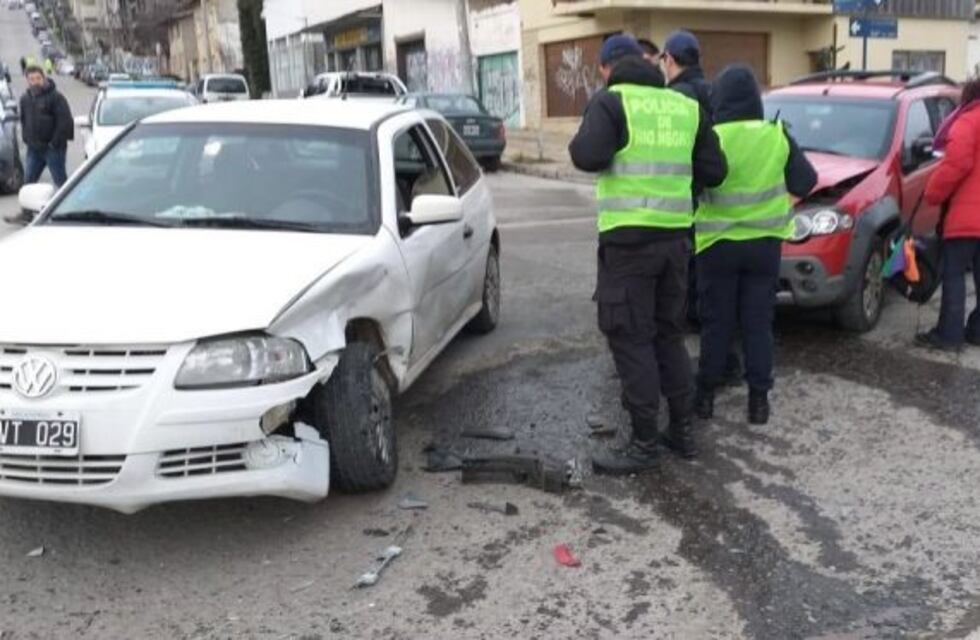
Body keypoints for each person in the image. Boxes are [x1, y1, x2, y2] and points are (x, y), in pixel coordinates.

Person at [569, 35, 727, 472]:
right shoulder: (684, 105)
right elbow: (715, 170)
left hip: (629, 243)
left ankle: (643, 444)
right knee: (667, 335)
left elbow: (587, 155)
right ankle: (681, 431)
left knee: (630, 338)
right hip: (676, 239)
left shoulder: (611, 101)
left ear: (606, 68)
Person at [694, 65, 816, 425]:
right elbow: (806, 180)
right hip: (764, 246)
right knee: (758, 323)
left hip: (716, 244)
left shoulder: (711, 136)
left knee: (717, 322)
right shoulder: (776, 135)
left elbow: (693, 186)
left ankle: (704, 398)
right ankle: (758, 403)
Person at [915, 77, 980, 351]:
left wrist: (932, 192)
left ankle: (949, 335)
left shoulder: (969, 121)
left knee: (953, 274)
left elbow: (957, 163)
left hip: (968, 218)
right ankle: (976, 332)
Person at [20, 65, 73, 188]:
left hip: (53, 149)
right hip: (34, 149)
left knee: (60, 182)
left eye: (38, 78)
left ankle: (66, 206)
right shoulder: (25, 99)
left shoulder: (56, 97)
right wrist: (26, 138)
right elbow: (23, 120)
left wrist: (54, 143)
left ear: (44, 78)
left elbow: (64, 122)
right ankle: (29, 207)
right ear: (27, 81)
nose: (35, 82)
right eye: (31, 79)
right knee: (28, 183)